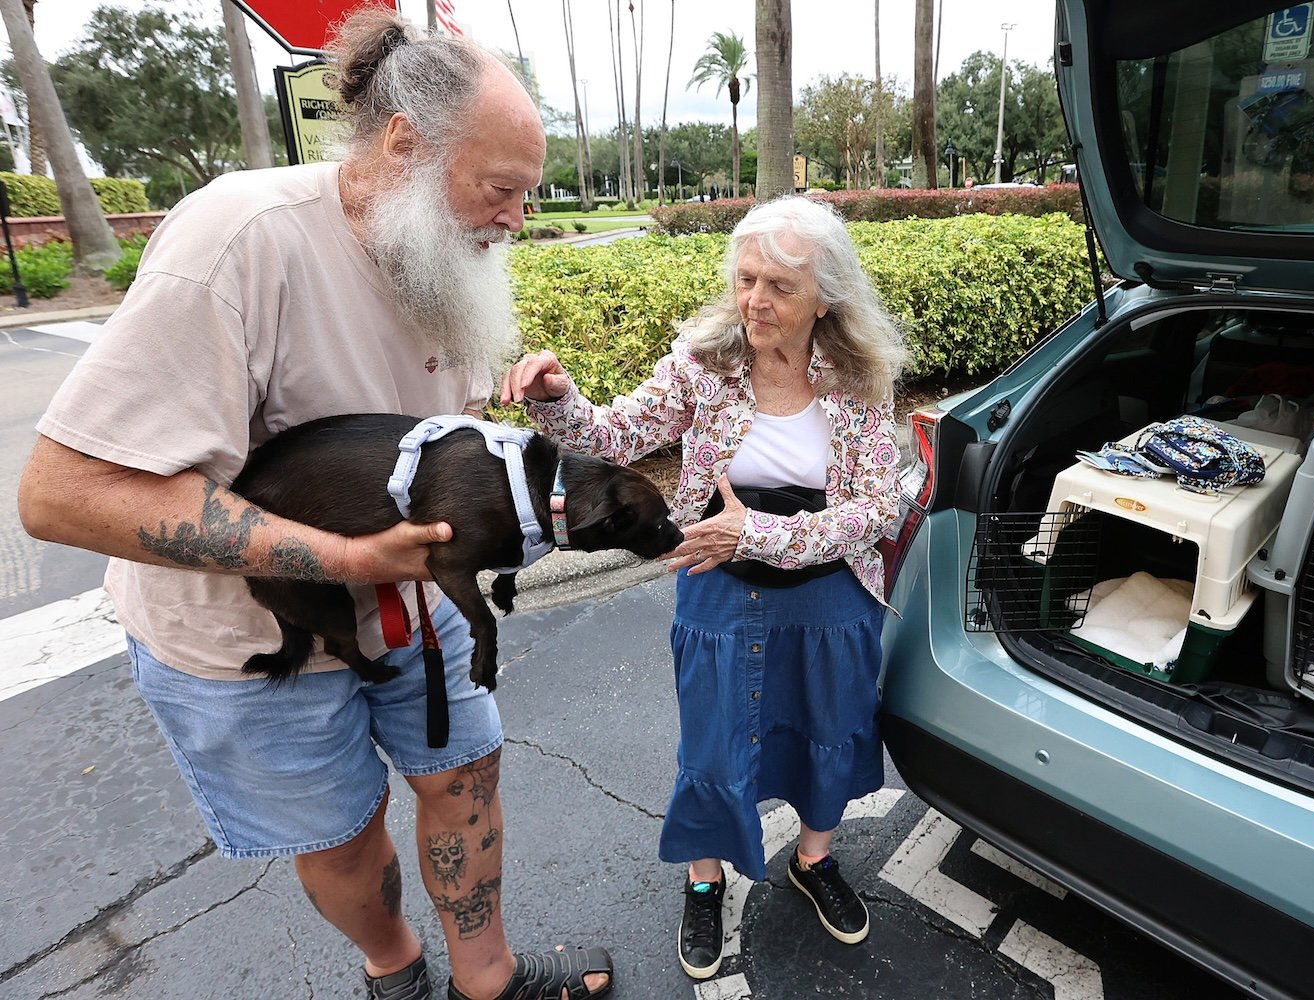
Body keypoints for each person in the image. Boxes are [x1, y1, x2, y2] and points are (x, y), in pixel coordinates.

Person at [16, 9, 611, 1000]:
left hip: (413, 603)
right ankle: (396, 971)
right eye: (500, 189)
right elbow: (63, 493)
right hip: (248, 636)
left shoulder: (443, 251)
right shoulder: (241, 240)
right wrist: (336, 560)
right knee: (341, 838)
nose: (517, 220)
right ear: (405, 145)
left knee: (466, 777)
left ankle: (488, 979)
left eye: (526, 195)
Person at [499, 195, 907, 980]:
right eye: (746, 279)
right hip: (723, 585)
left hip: (830, 590)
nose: (755, 300)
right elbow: (614, 435)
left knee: (831, 724)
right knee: (717, 738)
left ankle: (813, 860)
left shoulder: (858, 377)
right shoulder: (706, 364)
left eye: (780, 286)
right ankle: (705, 877)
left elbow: (876, 509)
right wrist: (557, 398)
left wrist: (757, 532)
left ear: (825, 297)